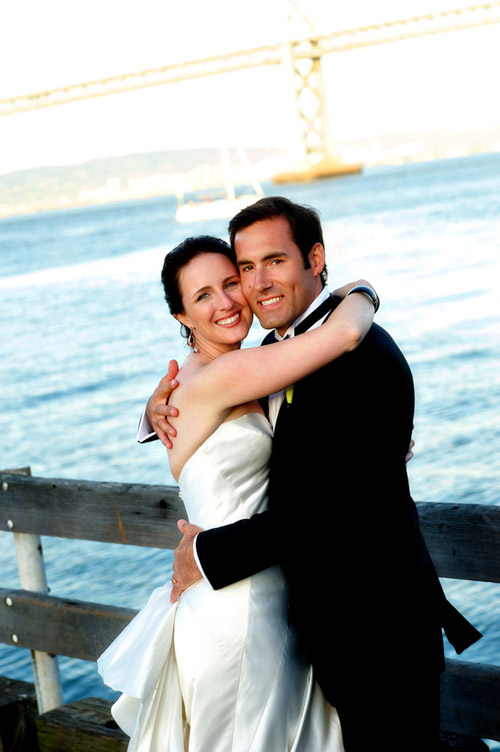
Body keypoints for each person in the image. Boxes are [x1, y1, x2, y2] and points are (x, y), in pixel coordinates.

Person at [143, 197, 482, 752]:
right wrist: (153, 407)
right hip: (299, 623)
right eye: (245, 268)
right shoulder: (273, 355)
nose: (251, 286)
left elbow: (326, 511)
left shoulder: (359, 356)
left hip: (376, 628)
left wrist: (205, 554)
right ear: (182, 315)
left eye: (271, 261)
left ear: (315, 257)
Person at [98, 232, 379, 751]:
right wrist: (362, 293)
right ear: (182, 317)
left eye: (231, 282)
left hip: (267, 592)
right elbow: (342, 337)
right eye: (203, 295)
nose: (226, 302)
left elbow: (309, 436)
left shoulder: (247, 370)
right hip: (238, 606)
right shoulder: (218, 377)